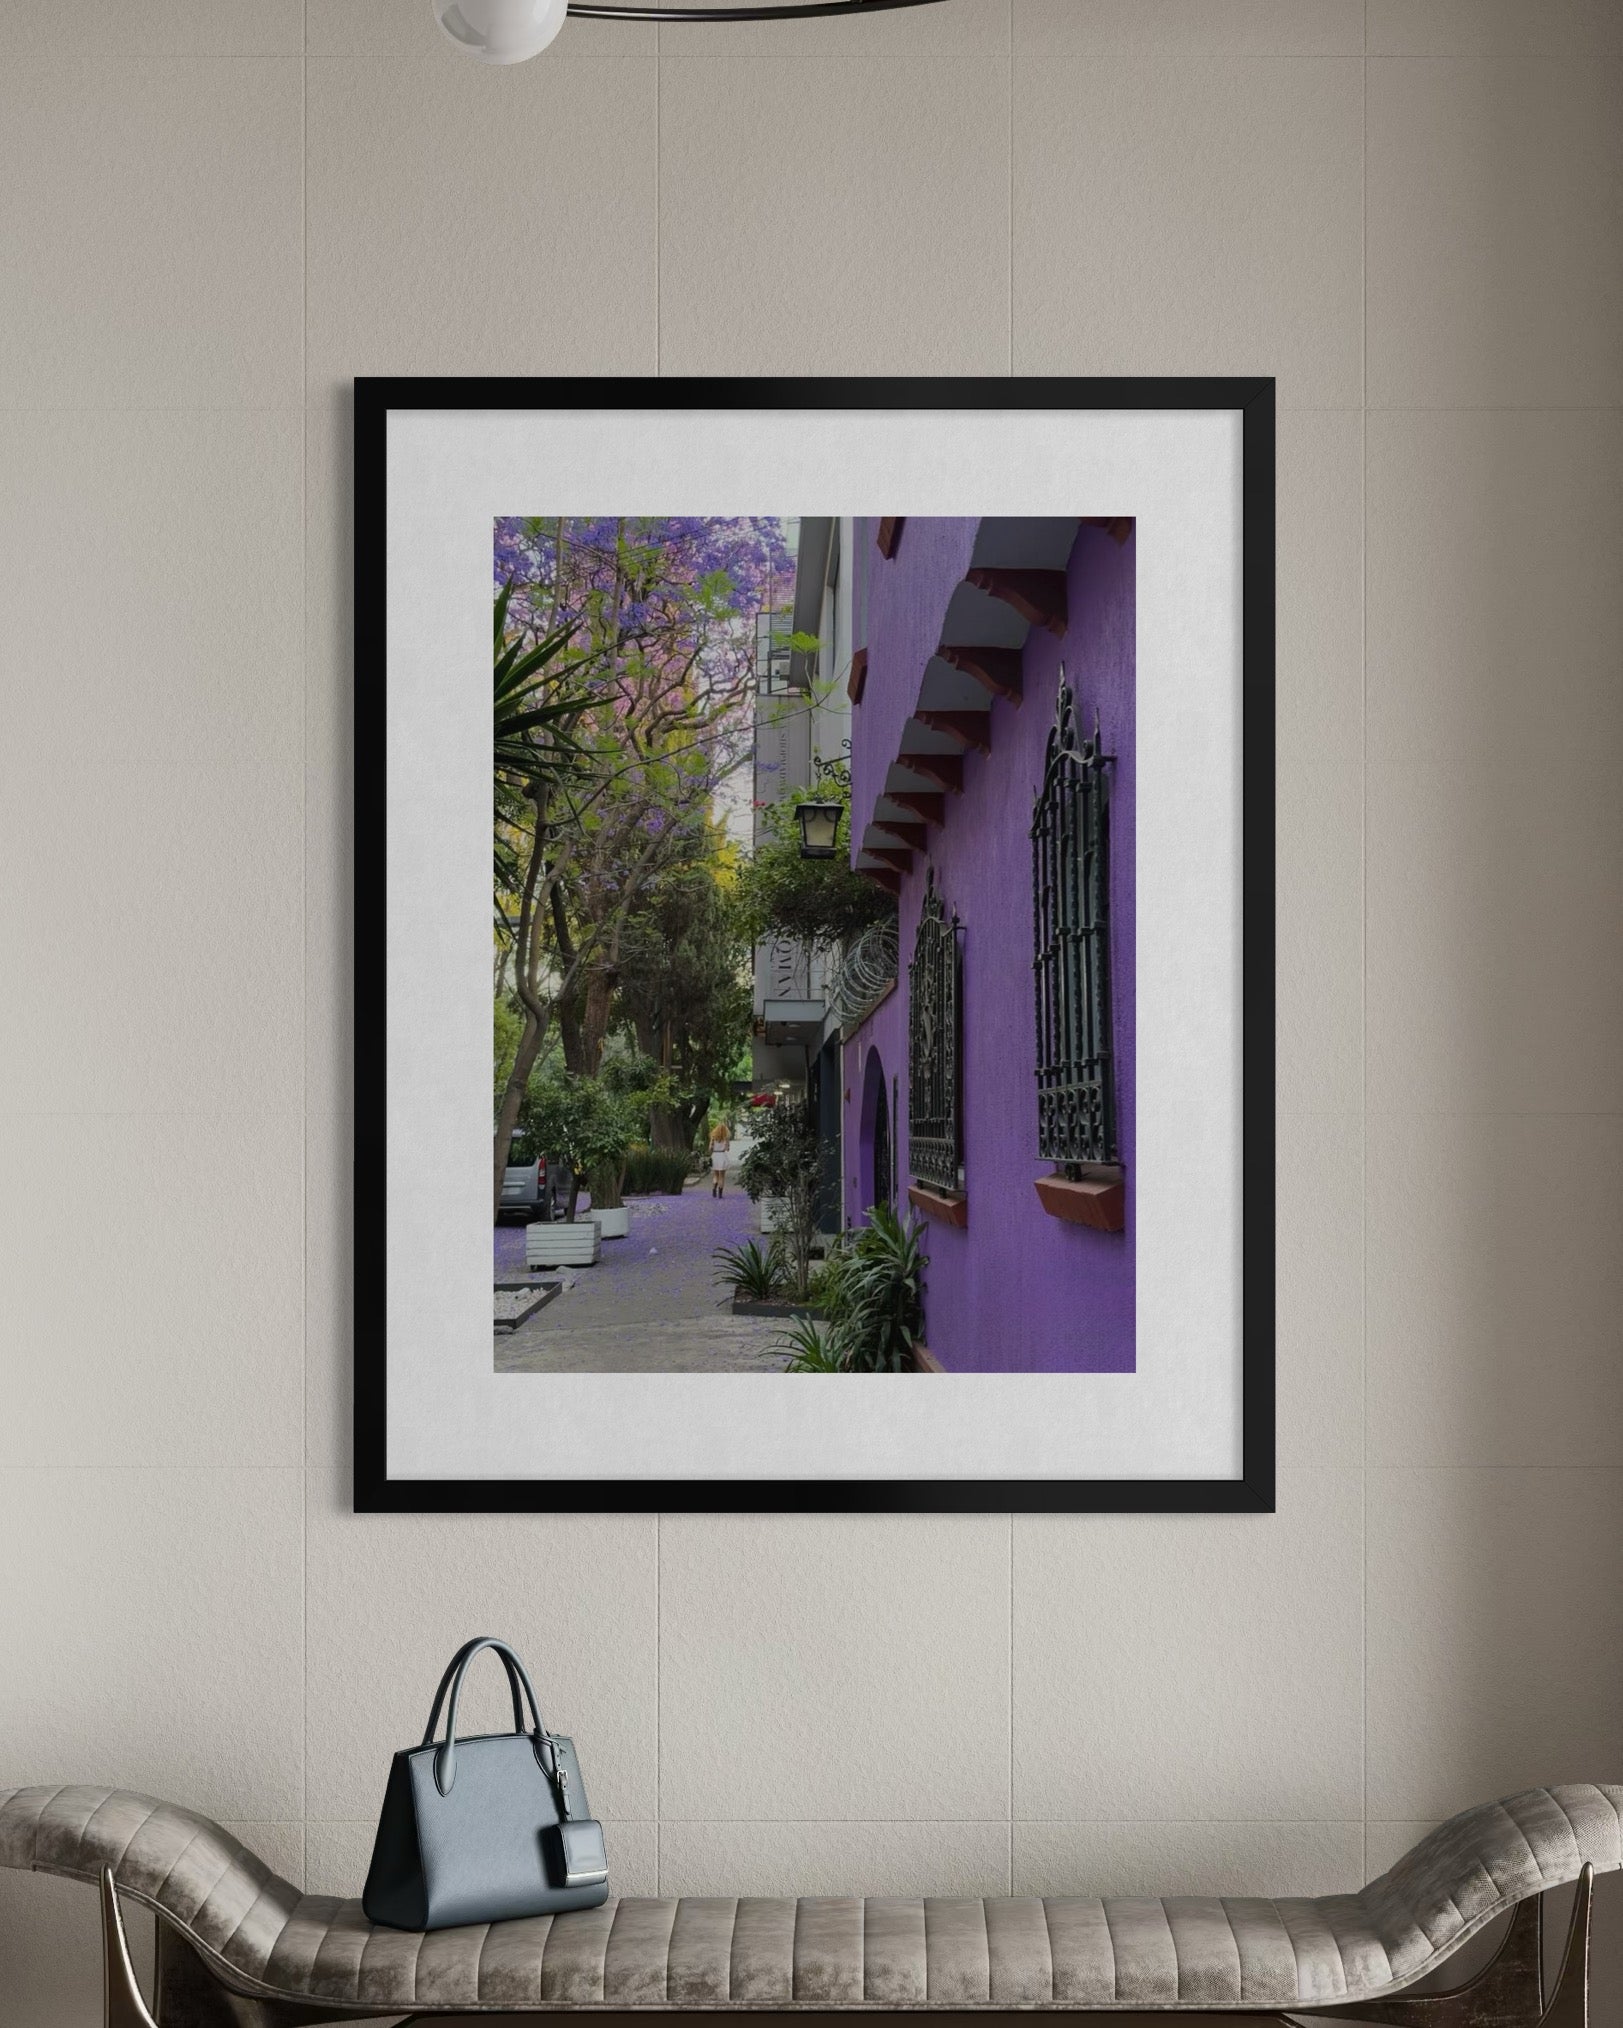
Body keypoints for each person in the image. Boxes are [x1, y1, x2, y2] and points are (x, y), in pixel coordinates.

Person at [708, 1116, 732, 1197]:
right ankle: (720, 1194)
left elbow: (710, 1148)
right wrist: (726, 1145)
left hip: (715, 1155)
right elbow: (727, 1149)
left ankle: (714, 1189)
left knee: (715, 1175)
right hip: (722, 1155)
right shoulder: (726, 1138)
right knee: (722, 1176)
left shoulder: (713, 1137)